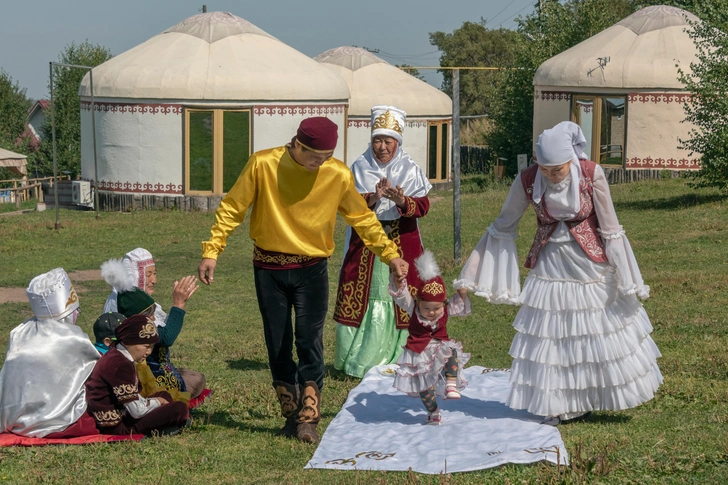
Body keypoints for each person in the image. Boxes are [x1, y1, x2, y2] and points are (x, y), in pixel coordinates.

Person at [198, 117, 409, 444]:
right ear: (297, 144)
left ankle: (309, 418)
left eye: (326, 157)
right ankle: (290, 414)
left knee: (309, 340)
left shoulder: (337, 174)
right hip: (269, 268)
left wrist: (391, 254)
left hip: (312, 268)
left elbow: (362, 219)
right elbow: (232, 208)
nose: (320, 163)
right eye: (315, 156)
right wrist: (213, 250)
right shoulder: (263, 164)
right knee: (278, 343)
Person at [455, 121, 663, 425]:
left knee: (593, 328)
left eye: (559, 169)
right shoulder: (528, 179)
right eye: (545, 169)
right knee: (552, 331)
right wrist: (468, 276)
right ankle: (560, 401)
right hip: (550, 262)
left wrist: (627, 274)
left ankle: (591, 395)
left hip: (589, 263)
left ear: (572, 160)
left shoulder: (592, 174)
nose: (551, 176)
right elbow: (503, 225)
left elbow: (610, 227)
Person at [334, 105, 432, 378]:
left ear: (397, 142)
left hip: (403, 241)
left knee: (403, 293)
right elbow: (347, 206)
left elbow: (423, 207)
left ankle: (404, 353)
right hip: (366, 244)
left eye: (388, 141)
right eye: (377, 140)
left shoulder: (411, 170)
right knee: (370, 293)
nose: (382, 147)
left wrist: (401, 200)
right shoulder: (358, 167)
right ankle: (360, 355)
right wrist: (374, 198)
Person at [0, 268, 100, 437]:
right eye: (75, 311)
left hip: (14, 419)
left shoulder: (19, 332)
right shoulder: (72, 338)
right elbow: (97, 370)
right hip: (58, 419)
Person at [101, 252, 206, 399]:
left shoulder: (142, 303)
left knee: (196, 378)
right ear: (135, 275)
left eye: (154, 273)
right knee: (189, 384)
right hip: (137, 377)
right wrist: (178, 305)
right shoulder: (127, 307)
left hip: (155, 371)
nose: (154, 280)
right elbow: (165, 337)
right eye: (148, 274)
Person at [390, 250, 471, 426]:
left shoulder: (446, 309)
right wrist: (398, 282)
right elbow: (401, 296)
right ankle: (433, 411)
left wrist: (463, 292)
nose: (432, 313)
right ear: (418, 302)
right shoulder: (412, 308)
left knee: (452, 352)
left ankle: (451, 384)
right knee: (424, 389)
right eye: (427, 308)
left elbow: (458, 305)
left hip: (439, 347)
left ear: (443, 304)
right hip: (419, 353)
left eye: (437, 308)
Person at [85, 314, 190, 436]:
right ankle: (162, 428)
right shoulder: (120, 364)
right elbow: (136, 411)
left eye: (151, 347)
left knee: (165, 395)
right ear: (129, 341)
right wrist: (157, 402)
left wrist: (158, 400)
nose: (149, 352)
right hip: (116, 425)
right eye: (146, 347)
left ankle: (168, 424)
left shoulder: (118, 355)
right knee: (179, 409)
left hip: (125, 413)